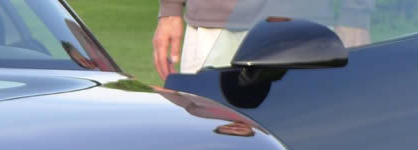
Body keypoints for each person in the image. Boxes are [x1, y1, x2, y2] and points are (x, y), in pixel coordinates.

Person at [153, 0, 374, 79]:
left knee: (306, 133)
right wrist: (170, 8)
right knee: (205, 138)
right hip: (212, 23)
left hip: (300, 22)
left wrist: (355, 13)